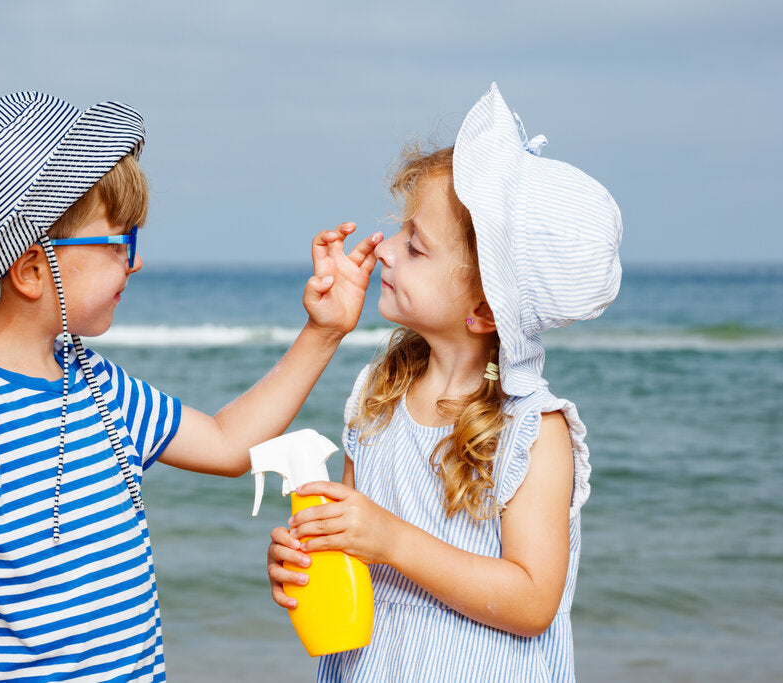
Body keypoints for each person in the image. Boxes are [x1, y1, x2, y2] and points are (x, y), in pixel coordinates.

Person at [0, 91, 381, 682]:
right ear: (30, 270)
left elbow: (229, 443)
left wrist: (323, 331)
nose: (136, 261)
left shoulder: (97, 382)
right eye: (118, 242)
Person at [266, 82, 622, 681]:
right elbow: (360, 547)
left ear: (484, 310)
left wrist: (390, 540)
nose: (385, 251)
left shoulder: (533, 432)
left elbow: (533, 602)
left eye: (417, 247)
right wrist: (310, 558)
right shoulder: (375, 396)